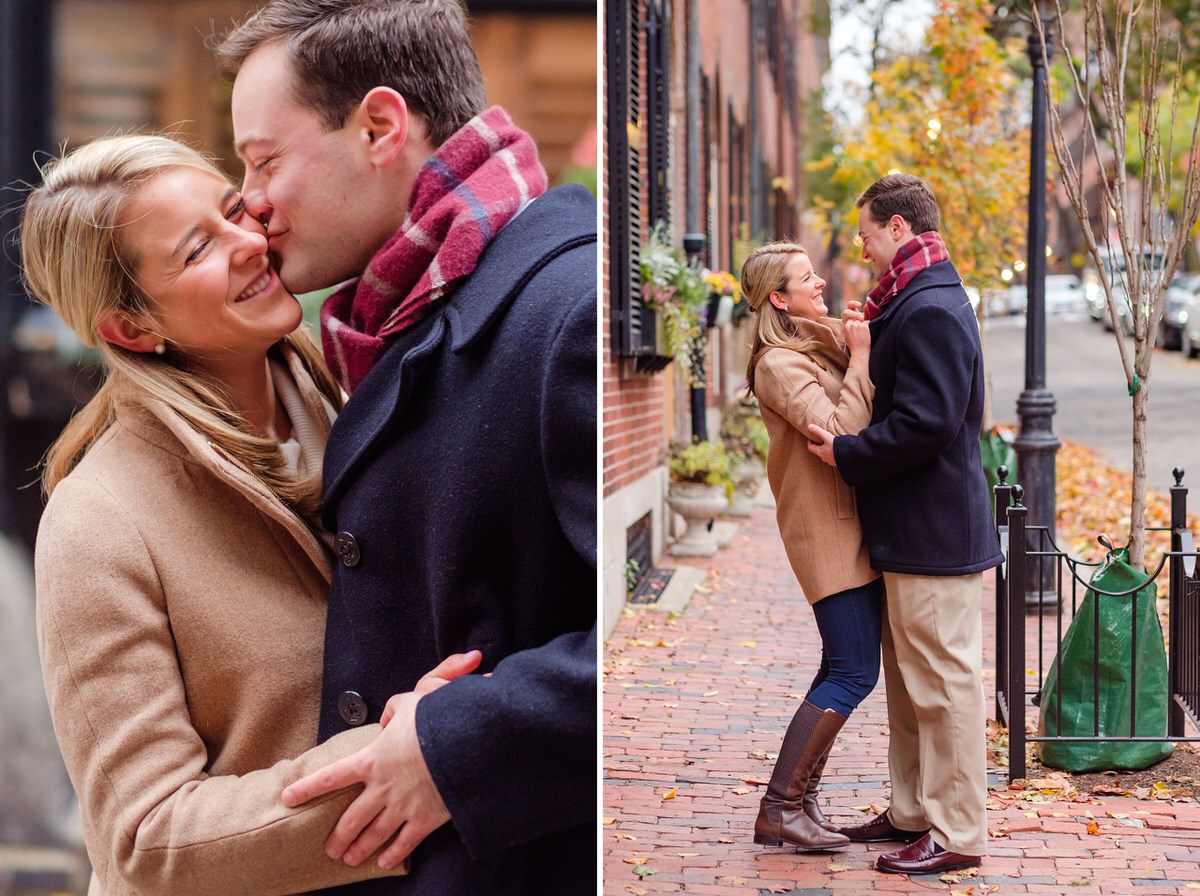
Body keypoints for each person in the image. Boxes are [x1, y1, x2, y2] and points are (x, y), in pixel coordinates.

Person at [22, 134, 479, 896]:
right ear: (130, 330)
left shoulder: (355, 399)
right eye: (199, 248)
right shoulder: (97, 523)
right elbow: (144, 837)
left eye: (235, 209)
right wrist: (408, 763)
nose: (249, 242)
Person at [215, 1, 597, 892]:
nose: (250, 203)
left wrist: (457, 746)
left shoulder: (570, 308)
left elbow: (640, 635)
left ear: (380, 125)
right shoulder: (376, 330)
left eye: (263, 160)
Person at [808, 173, 1003, 874]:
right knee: (912, 682)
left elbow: (929, 423)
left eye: (865, 235)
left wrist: (846, 452)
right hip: (914, 532)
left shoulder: (929, 307)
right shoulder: (917, 298)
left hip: (933, 534)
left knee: (945, 685)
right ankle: (914, 811)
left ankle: (956, 834)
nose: (860, 250)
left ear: (897, 229)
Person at [740, 242, 883, 852]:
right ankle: (779, 807)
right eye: (806, 278)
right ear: (779, 297)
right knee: (853, 670)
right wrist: (861, 357)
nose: (819, 282)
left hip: (848, 522)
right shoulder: (778, 363)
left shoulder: (810, 342)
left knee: (840, 665)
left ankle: (801, 801)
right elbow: (843, 431)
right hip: (825, 526)